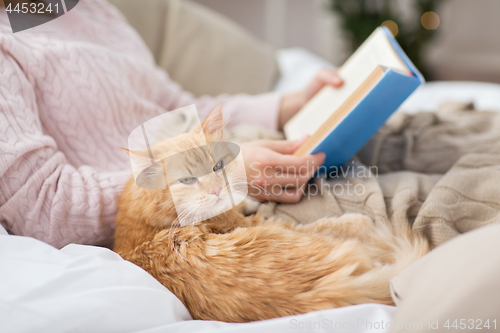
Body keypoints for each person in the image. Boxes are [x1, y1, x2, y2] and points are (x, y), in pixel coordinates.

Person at [0, 0, 343, 248]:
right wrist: (221, 174)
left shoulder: (93, 10)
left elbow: (178, 112)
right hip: (166, 227)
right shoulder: (7, 44)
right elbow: (47, 209)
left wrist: (289, 103)